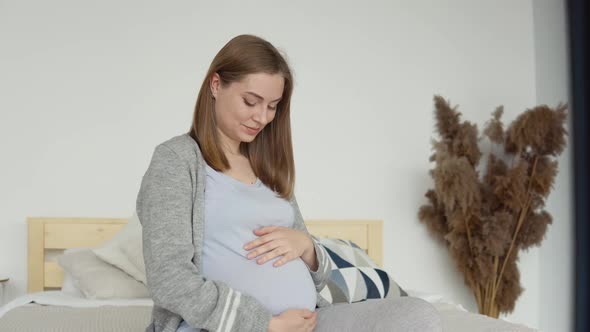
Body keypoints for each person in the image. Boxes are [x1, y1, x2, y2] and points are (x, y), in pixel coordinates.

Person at [136, 34, 442, 332]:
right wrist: (265, 325)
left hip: (305, 323)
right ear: (216, 85)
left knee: (418, 315)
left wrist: (308, 248)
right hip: (230, 328)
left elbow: (319, 279)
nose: (261, 117)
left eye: (272, 106)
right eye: (251, 101)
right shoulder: (176, 161)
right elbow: (169, 279)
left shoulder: (268, 169)